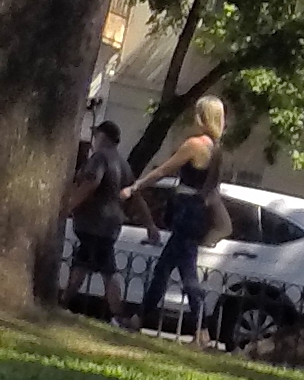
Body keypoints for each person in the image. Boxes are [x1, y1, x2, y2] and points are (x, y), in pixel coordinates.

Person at [133, 94, 227, 337]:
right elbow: (212, 187)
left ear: (203, 117)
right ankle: (139, 318)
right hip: (198, 212)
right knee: (165, 269)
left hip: (185, 211)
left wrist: (136, 186)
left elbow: (164, 170)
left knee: (187, 275)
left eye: (197, 113)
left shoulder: (195, 145)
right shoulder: (216, 150)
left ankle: (202, 330)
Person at [61, 114, 127, 312]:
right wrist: (149, 224)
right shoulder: (122, 162)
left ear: (103, 136)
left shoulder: (100, 158)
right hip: (109, 225)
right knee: (89, 265)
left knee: (99, 269)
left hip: (94, 224)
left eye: (96, 135)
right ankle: (64, 302)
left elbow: (91, 183)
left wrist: (69, 205)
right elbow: (135, 195)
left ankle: (116, 312)